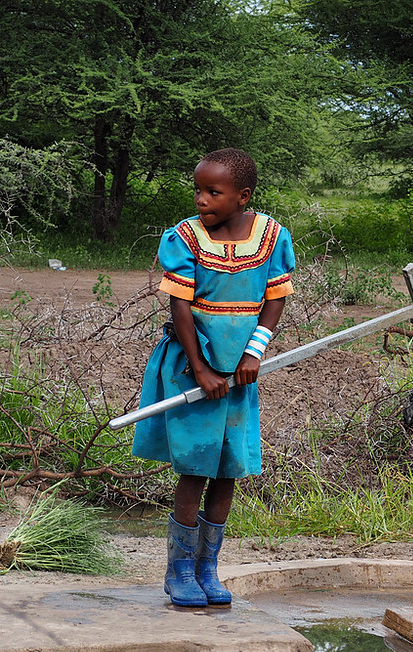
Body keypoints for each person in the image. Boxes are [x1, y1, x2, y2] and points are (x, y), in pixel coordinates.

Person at [132, 148, 294, 607]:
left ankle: (208, 569)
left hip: (241, 371)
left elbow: (275, 299)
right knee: (196, 466)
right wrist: (201, 369)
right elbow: (179, 305)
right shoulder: (184, 237)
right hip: (192, 365)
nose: (202, 200)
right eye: (199, 190)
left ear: (243, 196)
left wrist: (253, 353)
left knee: (228, 468)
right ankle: (179, 571)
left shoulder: (271, 237)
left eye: (213, 192)